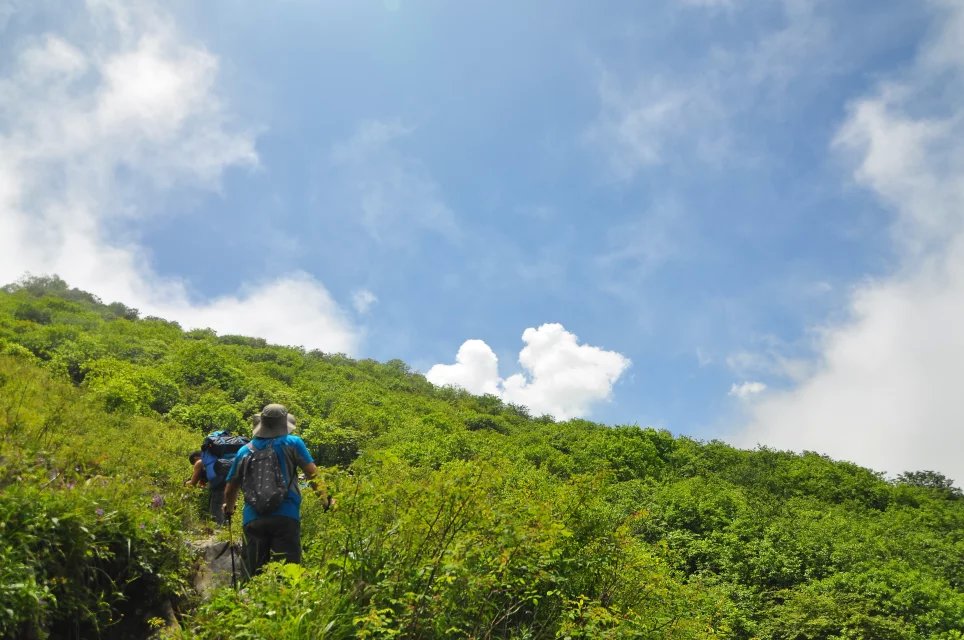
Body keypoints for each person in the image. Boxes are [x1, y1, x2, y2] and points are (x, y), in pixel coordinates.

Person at [222, 404, 331, 578]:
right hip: (286, 516)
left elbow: (231, 488)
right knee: (289, 574)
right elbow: (313, 475)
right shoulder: (293, 443)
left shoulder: (244, 451)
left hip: (253, 518)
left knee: (254, 575)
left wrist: (229, 508)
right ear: (284, 424)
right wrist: (326, 502)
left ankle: (250, 603)